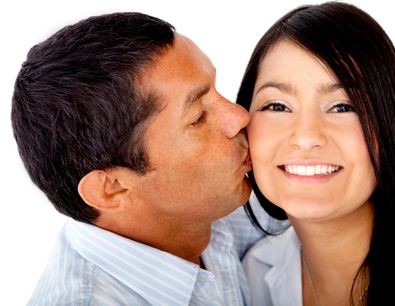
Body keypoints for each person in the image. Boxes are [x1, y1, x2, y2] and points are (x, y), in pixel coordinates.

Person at [12, 12, 285, 305]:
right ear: (111, 188)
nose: (240, 116)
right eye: (198, 117)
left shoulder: (200, 204)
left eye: (215, 91)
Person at [236, 2, 395, 306]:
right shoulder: (253, 276)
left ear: (390, 125)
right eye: (278, 106)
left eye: (342, 106)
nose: (307, 137)